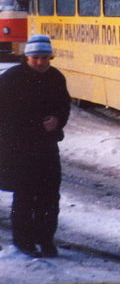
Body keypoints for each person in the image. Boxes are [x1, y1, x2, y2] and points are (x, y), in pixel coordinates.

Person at [0, 35, 71, 258]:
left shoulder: (56, 77)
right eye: (36, 58)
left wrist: (58, 120)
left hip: (47, 147)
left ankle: (46, 239)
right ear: (27, 57)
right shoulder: (11, 79)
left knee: (50, 196)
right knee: (25, 195)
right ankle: (23, 241)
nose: (41, 62)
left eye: (45, 58)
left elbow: (64, 105)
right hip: (19, 147)